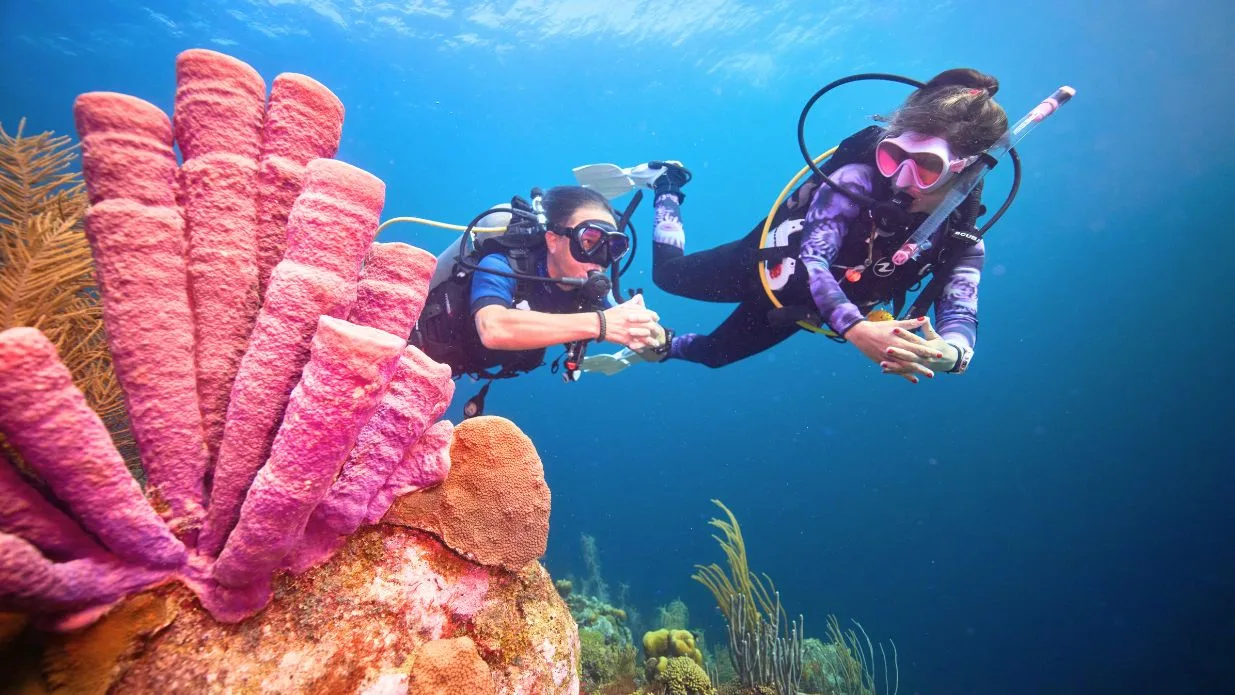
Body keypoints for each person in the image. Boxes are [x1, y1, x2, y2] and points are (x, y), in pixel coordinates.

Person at [629, 68, 1010, 383]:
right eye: (894, 155)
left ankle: (665, 345)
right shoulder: (855, 182)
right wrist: (857, 329)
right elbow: (815, 260)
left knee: (714, 355)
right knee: (667, 276)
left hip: (798, 307)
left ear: (967, 171)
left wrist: (951, 354)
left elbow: (960, 313)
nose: (901, 178)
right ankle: (668, 183)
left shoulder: (961, 244)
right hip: (760, 263)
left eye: (927, 165)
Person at [410, 185, 668, 414]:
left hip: (451, 371)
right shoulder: (505, 264)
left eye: (612, 248)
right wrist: (600, 324)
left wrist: (651, 334)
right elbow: (493, 328)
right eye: (589, 241)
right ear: (553, 240)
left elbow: (653, 350)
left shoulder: (593, 293)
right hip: (409, 347)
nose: (599, 258)